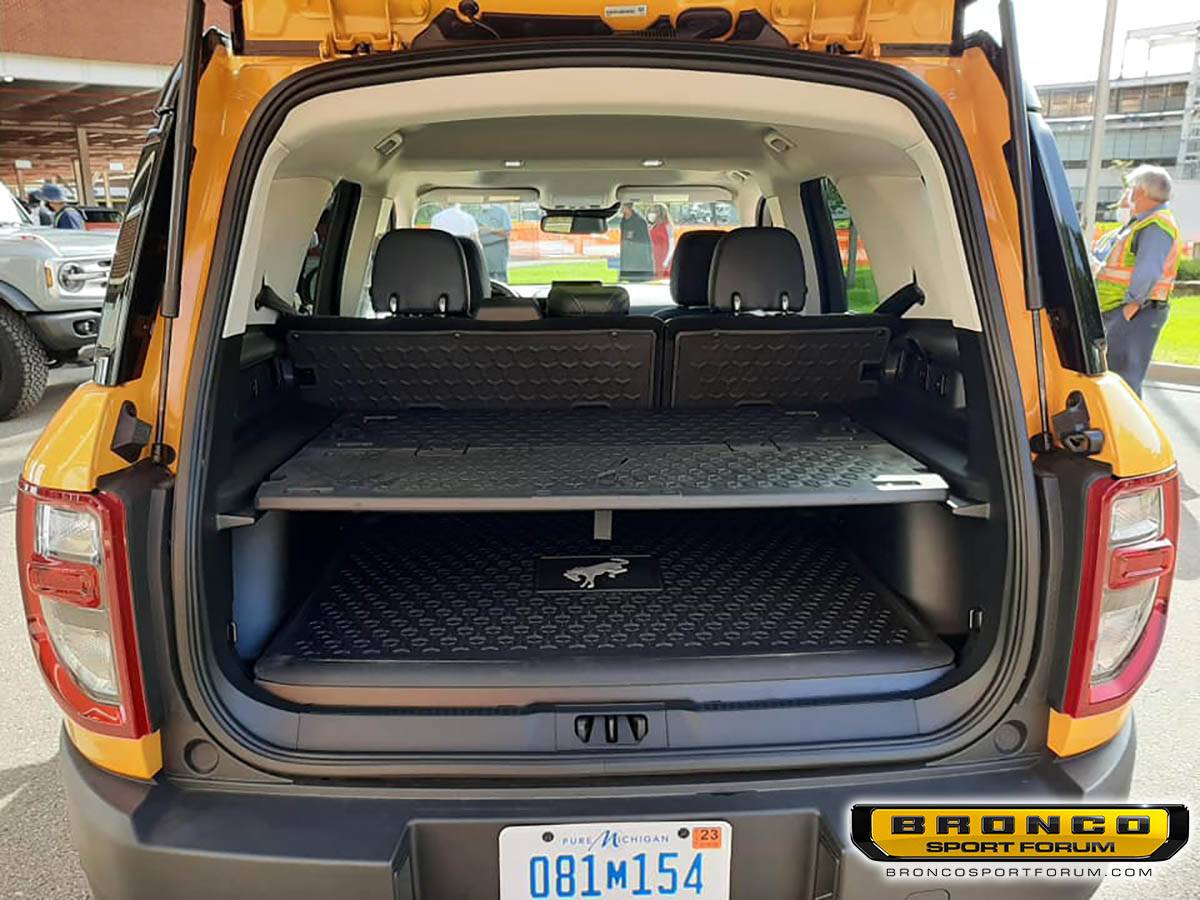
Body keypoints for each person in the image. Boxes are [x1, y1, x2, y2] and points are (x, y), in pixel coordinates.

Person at [1092, 165, 1183, 397]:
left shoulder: (1156, 224)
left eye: (1132, 187)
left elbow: (1148, 270)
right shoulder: (1143, 221)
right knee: (1120, 376)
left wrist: (1130, 308)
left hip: (1137, 311)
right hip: (1128, 309)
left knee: (1124, 381)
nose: (1130, 193)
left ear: (1142, 191)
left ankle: (1126, 431)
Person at [618, 202, 653, 282]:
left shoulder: (640, 222)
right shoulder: (623, 222)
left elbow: (645, 244)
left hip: (638, 261)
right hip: (627, 259)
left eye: (622, 206)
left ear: (627, 207)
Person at [476, 203, 513, 281]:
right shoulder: (477, 214)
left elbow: (507, 232)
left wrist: (491, 230)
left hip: (498, 252)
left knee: (500, 280)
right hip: (483, 253)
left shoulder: (501, 212)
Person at [647, 203, 673, 279]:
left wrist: (665, 263)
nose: (651, 214)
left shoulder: (667, 226)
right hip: (654, 258)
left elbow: (672, 245)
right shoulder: (653, 226)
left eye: (654, 211)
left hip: (663, 259)